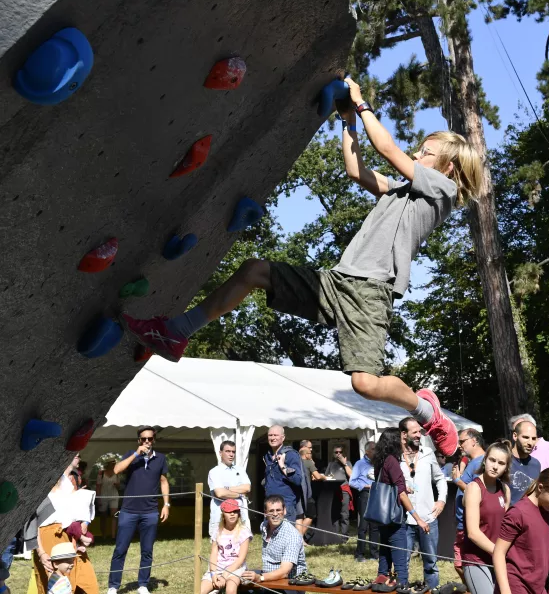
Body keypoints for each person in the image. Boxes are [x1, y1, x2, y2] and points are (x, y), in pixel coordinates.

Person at [120, 77, 486, 460]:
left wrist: (362, 105)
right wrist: (348, 121)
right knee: (254, 270)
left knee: (364, 383)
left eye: (425, 152)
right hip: (336, 282)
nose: (417, 154)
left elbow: (388, 147)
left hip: (370, 294)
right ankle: (178, 332)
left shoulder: (441, 191)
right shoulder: (401, 189)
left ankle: (427, 410)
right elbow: (355, 170)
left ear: (448, 167)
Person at [108, 426, 170, 594]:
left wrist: (166, 504)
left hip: (150, 512)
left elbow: (164, 482)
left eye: (150, 439)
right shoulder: (130, 454)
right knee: (120, 549)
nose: (147, 441)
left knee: (147, 551)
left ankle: (143, 584)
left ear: (154, 440)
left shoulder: (161, 459)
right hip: (128, 511)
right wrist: (136, 453)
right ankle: (113, 586)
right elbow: (116, 470)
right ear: (139, 440)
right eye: (143, 439)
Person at [493, 467, 549, 594]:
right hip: (516, 586)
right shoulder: (518, 513)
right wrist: (505, 590)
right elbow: (499, 552)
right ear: (540, 488)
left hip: (538, 587)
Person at [372, 428, 427, 591]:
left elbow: (388, 486)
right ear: (394, 442)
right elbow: (401, 495)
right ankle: (401, 586)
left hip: (381, 516)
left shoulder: (380, 461)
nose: (404, 442)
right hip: (394, 518)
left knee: (384, 555)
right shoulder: (392, 461)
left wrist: (401, 489)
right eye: (401, 440)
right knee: (401, 563)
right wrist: (418, 518)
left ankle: (382, 583)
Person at [29, 466, 99, 594]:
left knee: (87, 583)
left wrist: (78, 535)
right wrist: (41, 553)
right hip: (46, 539)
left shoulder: (65, 483)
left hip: (69, 537)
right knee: (54, 585)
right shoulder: (35, 489)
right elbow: (32, 524)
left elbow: (77, 512)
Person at [400, 418, 447, 590]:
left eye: (419, 431)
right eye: (415, 432)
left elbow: (440, 478)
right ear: (404, 435)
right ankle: (402, 589)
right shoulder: (395, 457)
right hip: (404, 519)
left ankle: (433, 590)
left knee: (430, 562)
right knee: (401, 563)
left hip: (428, 517)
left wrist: (441, 500)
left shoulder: (427, 453)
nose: (419, 435)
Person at [462, 441, 511, 594]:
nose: (495, 466)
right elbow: (473, 533)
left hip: (498, 559)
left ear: (506, 468)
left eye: (501, 463)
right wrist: (499, 552)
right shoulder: (474, 488)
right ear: (485, 460)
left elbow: (506, 527)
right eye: (492, 460)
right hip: (476, 560)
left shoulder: (505, 489)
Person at [241, 495, 308, 586]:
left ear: (284, 511)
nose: (275, 514)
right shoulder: (264, 526)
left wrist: (260, 577)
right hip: (268, 578)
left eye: (278, 510)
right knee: (240, 579)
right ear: (265, 513)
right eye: (271, 511)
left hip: (290, 584)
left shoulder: (292, 535)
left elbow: (284, 572)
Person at [452, 428, 485, 584]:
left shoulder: (482, 463)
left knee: (465, 565)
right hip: (463, 524)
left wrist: (458, 481)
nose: (459, 445)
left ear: (474, 440)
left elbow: (480, 494)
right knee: (460, 564)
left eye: (462, 441)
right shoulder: (473, 462)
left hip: (471, 525)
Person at [202, 499, 251, 594]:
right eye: (229, 512)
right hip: (217, 568)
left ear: (239, 514)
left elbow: (241, 559)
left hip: (236, 569)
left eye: (235, 511)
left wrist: (225, 575)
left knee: (230, 589)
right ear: (223, 514)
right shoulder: (217, 531)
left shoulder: (244, 532)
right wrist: (213, 573)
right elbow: (213, 554)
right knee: (200, 590)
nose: (232, 514)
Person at [208, 440, 251, 540]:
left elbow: (247, 488)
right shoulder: (214, 472)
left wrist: (227, 489)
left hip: (239, 515)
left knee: (241, 544)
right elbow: (220, 493)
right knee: (219, 548)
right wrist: (240, 494)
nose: (231, 454)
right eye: (228, 451)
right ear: (220, 453)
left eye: (233, 452)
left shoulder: (240, 470)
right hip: (220, 516)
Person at [263, 425, 304, 527]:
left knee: (286, 538)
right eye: (270, 435)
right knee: (271, 538)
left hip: (285, 505)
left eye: (276, 435)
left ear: (283, 437)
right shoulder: (267, 456)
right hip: (270, 505)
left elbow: (297, 479)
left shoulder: (290, 455)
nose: (273, 438)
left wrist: (282, 466)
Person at [350, 442, 380, 561]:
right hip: (365, 495)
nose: (375, 451)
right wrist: (366, 486)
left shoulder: (378, 463)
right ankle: (360, 554)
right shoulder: (360, 464)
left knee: (375, 526)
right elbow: (352, 481)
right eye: (373, 449)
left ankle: (374, 553)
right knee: (363, 526)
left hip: (376, 496)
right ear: (367, 451)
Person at [509, 421, 542, 505]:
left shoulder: (536, 464)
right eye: (526, 437)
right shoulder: (503, 460)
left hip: (528, 516)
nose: (530, 443)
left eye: (534, 438)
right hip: (506, 515)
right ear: (515, 436)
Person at [325, 445, 354, 539]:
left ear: (343, 453)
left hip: (344, 490)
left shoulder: (347, 463)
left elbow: (352, 476)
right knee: (335, 513)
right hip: (334, 491)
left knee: (344, 514)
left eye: (340, 452)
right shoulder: (331, 464)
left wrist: (344, 463)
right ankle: (336, 535)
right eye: (336, 452)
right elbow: (326, 477)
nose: (338, 454)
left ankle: (344, 536)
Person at [297, 446, 322, 540]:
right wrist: (324, 477)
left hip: (297, 493)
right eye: (310, 453)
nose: (311, 455)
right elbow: (318, 476)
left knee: (299, 516)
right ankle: (299, 538)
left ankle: (299, 538)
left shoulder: (296, 463)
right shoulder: (308, 462)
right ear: (306, 455)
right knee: (311, 515)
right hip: (307, 493)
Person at [95, 460, 120, 539]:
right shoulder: (101, 473)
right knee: (103, 516)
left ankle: (113, 536)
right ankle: (104, 536)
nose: (113, 465)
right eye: (112, 463)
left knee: (114, 515)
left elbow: (119, 487)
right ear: (108, 464)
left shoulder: (117, 473)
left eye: (114, 463)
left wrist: (116, 485)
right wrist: (98, 498)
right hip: (103, 496)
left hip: (114, 496)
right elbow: (98, 486)